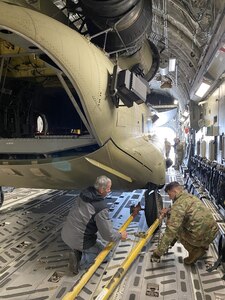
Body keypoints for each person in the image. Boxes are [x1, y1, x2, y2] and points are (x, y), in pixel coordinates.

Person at [61, 175, 127, 274]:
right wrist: (120, 235)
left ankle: (77, 251)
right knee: (108, 254)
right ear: (101, 189)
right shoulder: (100, 207)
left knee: (97, 241)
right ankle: (80, 261)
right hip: (79, 240)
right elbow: (108, 236)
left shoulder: (84, 194)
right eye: (108, 188)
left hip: (66, 234)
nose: (109, 190)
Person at [151, 181, 219, 265]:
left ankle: (195, 251)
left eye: (169, 194)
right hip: (213, 233)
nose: (169, 197)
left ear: (175, 191)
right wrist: (170, 211)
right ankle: (204, 245)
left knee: (177, 230)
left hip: (201, 237)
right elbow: (185, 211)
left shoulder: (178, 206)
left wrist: (158, 253)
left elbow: (170, 232)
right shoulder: (190, 196)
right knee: (191, 224)